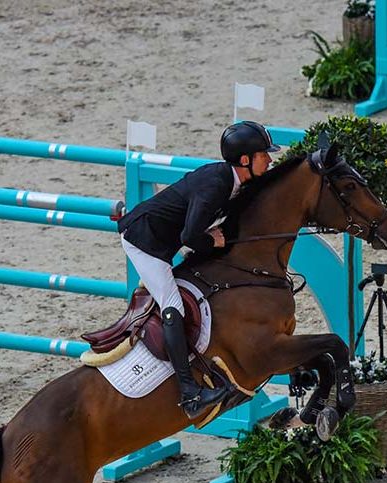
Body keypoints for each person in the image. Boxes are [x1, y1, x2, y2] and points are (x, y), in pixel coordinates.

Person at [117, 121, 280, 419]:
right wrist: (211, 241)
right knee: (173, 305)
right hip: (145, 241)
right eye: (264, 155)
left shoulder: (236, 180)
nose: (269, 160)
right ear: (245, 160)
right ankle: (190, 393)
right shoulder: (216, 185)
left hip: (167, 235)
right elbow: (190, 236)